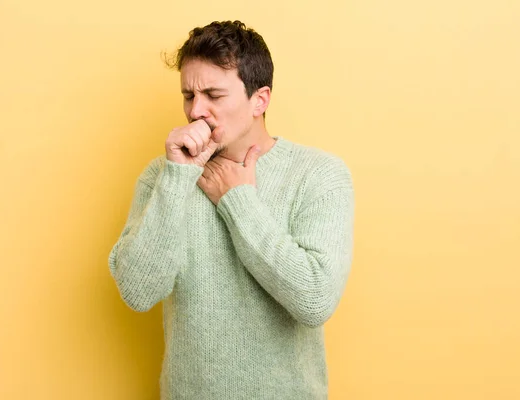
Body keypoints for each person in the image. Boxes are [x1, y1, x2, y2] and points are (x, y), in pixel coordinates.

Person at [108, 20, 355, 400]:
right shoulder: (163, 176)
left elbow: (315, 299)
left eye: (213, 95)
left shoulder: (319, 175)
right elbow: (138, 291)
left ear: (260, 99)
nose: (196, 111)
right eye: (188, 95)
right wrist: (178, 177)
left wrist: (237, 201)